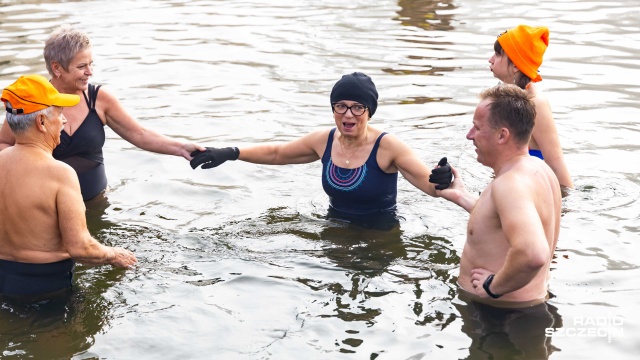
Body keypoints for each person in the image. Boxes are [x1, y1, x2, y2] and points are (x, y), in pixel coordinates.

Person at [190, 72, 452, 227]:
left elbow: (430, 186)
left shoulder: (388, 147)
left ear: (369, 112)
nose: (348, 114)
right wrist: (230, 152)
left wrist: (443, 176)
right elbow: (277, 153)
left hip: (379, 235)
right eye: (341, 106)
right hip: (334, 226)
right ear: (333, 109)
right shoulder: (323, 140)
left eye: (357, 107)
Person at [0, 25, 204, 201]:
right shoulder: (31, 100)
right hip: (47, 205)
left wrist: (181, 148)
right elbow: (4, 144)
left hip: (97, 202)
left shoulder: (99, 98)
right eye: (82, 66)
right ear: (57, 68)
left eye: (91, 64)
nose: (90, 72)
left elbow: (139, 134)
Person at [0, 74, 137, 297]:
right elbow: (80, 248)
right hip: (47, 287)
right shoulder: (59, 174)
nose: (63, 121)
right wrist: (114, 254)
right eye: (59, 113)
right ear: (41, 123)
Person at [438, 83, 562, 306]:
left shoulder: (510, 183)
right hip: (530, 308)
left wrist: (492, 287)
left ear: (502, 135)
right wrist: (462, 196)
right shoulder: (538, 169)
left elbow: (533, 253)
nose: (469, 135)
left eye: (477, 127)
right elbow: (506, 219)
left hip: (501, 317)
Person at [490, 24, 574, 189]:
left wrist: (565, 211)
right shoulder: (505, 95)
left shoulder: (536, 104)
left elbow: (556, 164)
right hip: (508, 187)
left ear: (515, 66)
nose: (490, 59)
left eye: (498, 54)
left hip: (531, 190)